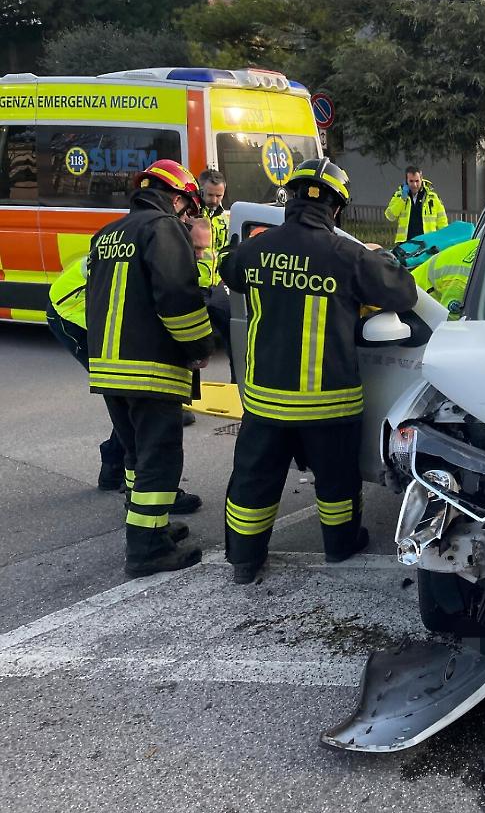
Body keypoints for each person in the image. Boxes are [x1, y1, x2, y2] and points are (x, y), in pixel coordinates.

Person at [218, 158, 418, 584]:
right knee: (337, 483)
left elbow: (228, 269)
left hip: (265, 401)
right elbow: (403, 291)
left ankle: (244, 561)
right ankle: (340, 546)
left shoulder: (256, 250)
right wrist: (381, 258)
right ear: (337, 208)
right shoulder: (349, 256)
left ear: (289, 199)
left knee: (254, 480)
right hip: (329, 403)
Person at [85, 160, 214, 577]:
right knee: (159, 458)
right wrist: (198, 346)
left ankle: (150, 527)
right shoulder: (163, 229)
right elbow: (177, 295)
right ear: (177, 198)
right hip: (151, 368)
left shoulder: (107, 235)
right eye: (189, 209)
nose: (188, 217)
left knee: (136, 454)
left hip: (108, 367)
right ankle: (147, 551)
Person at [197, 168, 237, 384]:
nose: (214, 200)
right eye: (210, 194)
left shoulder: (225, 218)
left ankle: (237, 390)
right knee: (190, 344)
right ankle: (184, 402)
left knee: (236, 336)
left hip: (219, 286)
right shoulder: (191, 215)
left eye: (219, 195)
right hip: (194, 286)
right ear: (200, 190)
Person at [384, 165, 448, 245]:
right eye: (411, 181)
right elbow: (390, 216)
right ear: (406, 181)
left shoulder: (432, 197)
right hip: (405, 242)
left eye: (417, 181)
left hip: (428, 242)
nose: (414, 185)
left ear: (421, 179)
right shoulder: (399, 195)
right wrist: (402, 200)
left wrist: (444, 240)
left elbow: (442, 221)